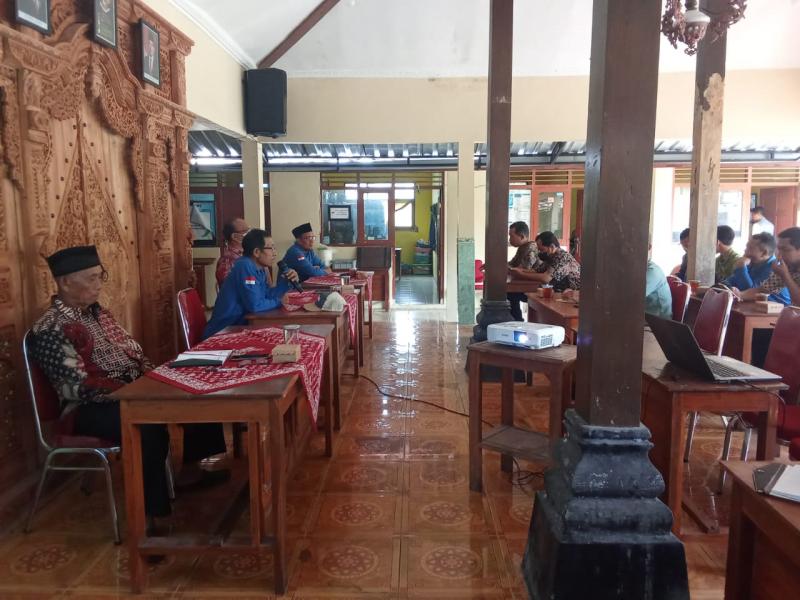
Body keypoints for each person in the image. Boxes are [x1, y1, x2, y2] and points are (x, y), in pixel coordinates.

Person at [29, 246, 227, 523]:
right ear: (65, 282)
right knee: (146, 427)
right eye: (91, 278)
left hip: (132, 390)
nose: (99, 285)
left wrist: (157, 379)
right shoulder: (51, 328)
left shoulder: (99, 313)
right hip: (89, 409)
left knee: (195, 387)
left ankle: (191, 472)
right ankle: (151, 516)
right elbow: (74, 387)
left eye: (100, 276)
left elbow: (133, 352)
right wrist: (133, 395)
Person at [204, 229, 299, 338]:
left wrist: (286, 282)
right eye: (271, 248)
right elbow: (255, 305)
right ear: (256, 252)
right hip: (223, 331)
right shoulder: (244, 266)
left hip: (239, 327)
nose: (275, 253)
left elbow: (266, 294)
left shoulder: (259, 268)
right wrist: (278, 302)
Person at [725, 233, 790, 305]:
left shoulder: (774, 268)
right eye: (746, 247)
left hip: (778, 310)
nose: (745, 251)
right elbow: (729, 283)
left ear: (764, 253)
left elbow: (751, 291)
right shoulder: (752, 263)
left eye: (750, 248)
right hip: (755, 307)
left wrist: (741, 267)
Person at [743, 227, 800, 307]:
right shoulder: (787, 267)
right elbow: (762, 290)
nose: (779, 255)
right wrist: (738, 295)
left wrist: (785, 276)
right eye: (778, 249)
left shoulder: (783, 270)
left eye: (785, 250)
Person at [512, 231, 580, 291]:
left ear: (552, 247)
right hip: (560, 290)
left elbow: (546, 278)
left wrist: (521, 274)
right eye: (539, 250)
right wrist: (518, 270)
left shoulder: (563, 257)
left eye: (542, 250)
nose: (540, 252)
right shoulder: (551, 256)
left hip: (575, 293)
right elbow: (537, 270)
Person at [505, 221, 541, 321]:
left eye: (511, 236)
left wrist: (507, 268)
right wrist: (495, 265)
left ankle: (517, 321)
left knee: (510, 293)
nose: (509, 239)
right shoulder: (522, 248)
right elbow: (512, 264)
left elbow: (523, 270)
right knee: (509, 293)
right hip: (525, 284)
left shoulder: (531, 247)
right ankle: (516, 321)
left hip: (536, 287)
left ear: (521, 236)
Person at [215, 218, 249, 287]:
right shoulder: (228, 260)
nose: (250, 234)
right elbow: (234, 286)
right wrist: (254, 280)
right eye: (245, 231)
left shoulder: (246, 255)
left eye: (249, 230)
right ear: (234, 236)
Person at [645, 246, 672, 320]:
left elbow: (634, 298)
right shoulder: (638, 268)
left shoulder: (652, 271)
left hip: (658, 322)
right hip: (644, 316)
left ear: (649, 248)